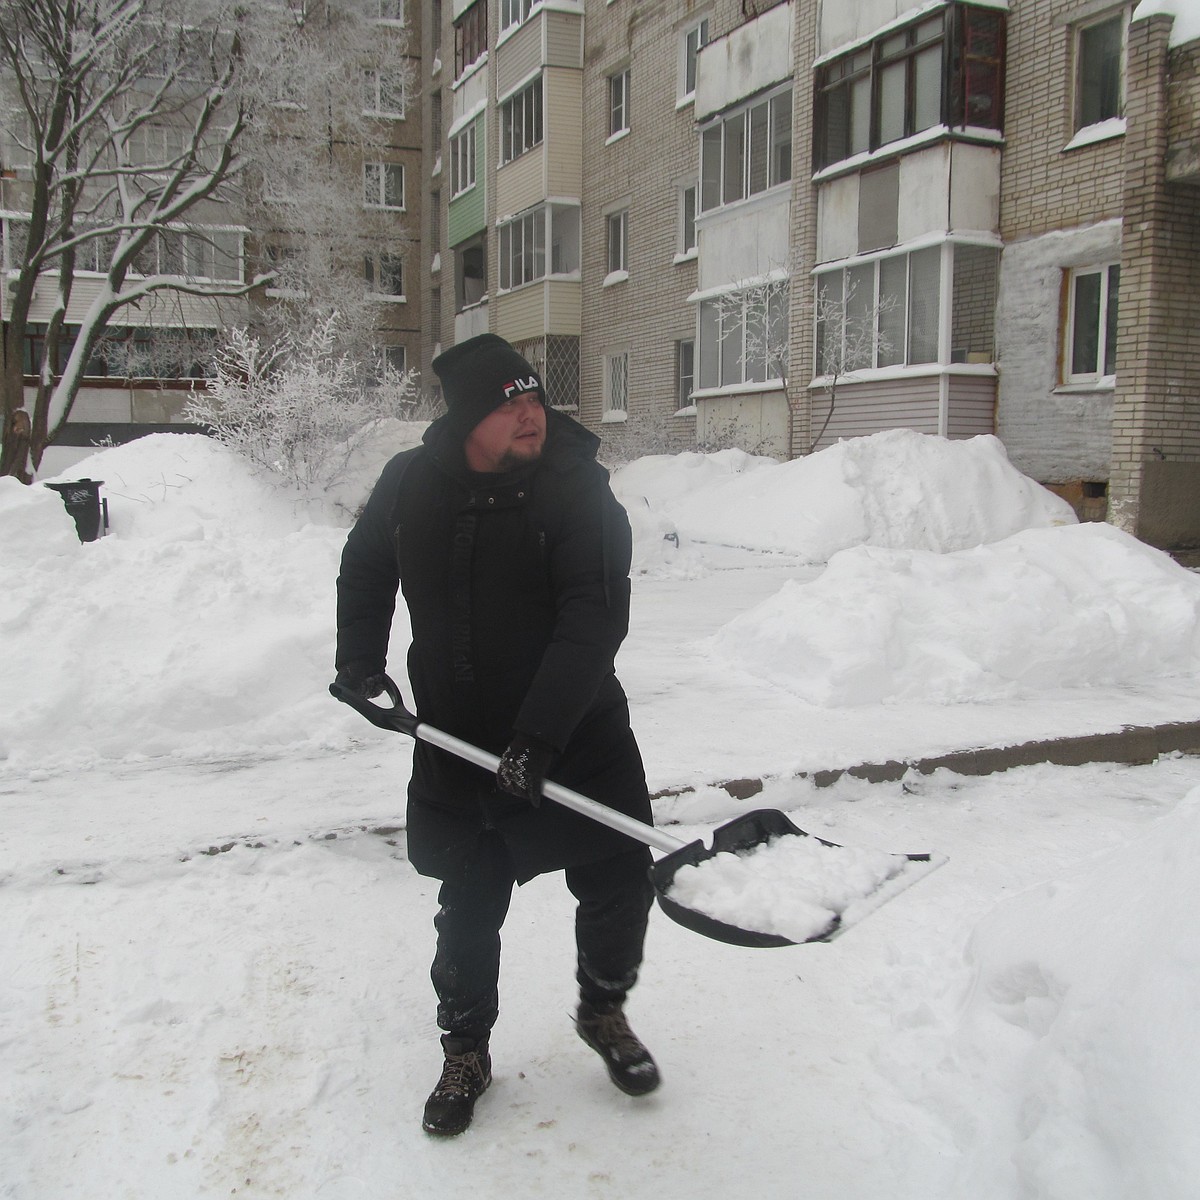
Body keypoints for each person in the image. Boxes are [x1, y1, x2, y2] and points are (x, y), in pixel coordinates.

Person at [334, 333, 659, 1137]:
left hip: (575, 732)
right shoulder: (410, 484)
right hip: (458, 737)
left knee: (618, 880)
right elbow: (367, 564)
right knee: (469, 906)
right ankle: (467, 1049)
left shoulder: (581, 494)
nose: (530, 415)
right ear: (470, 420)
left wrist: (539, 737)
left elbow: (593, 621)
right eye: (509, 404)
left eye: (535, 399)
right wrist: (360, 662)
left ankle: (603, 1010)